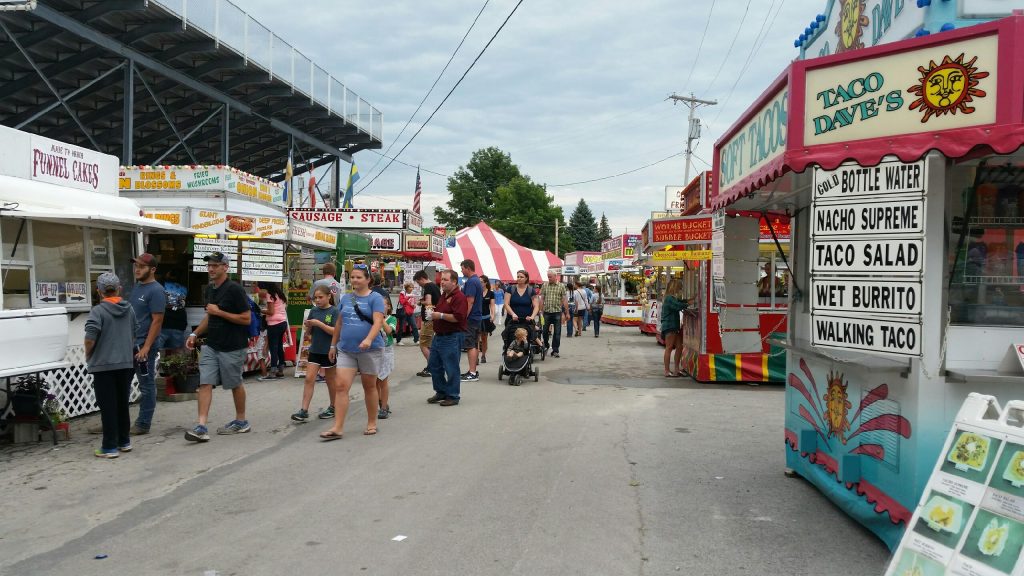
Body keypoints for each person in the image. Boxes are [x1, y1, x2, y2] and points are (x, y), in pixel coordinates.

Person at [184, 251, 253, 442]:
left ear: (225, 267)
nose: (211, 269)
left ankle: (241, 421)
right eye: (209, 265)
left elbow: (246, 319)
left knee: (234, 383)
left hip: (232, 346)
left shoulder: (235, 290)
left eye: (215, 265)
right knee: (205, 382)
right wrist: (195, 333)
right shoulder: (210, 289)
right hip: (212, 345)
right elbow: (210, 315)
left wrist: (220, 312)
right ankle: (201, 426)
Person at [320, 264, 385, 440]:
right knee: (341, 386)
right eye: (353, 277)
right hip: (346, 349)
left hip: (369, 350)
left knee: (369, 386)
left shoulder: (375, 298)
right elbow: (339, 324)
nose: (355, 280)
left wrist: (369, 339)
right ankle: (338, 427)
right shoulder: (346, 298)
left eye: (359, 277)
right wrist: (333, 345)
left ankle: (372, 422)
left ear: (368, 280)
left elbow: (378, 322)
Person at [84, 273, 138, 458]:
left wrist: (88, 354)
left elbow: (90, 337)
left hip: (104, 365)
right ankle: (124, 441)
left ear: (99, 291)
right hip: (125, 363)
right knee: (122, 403)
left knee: (108, 406)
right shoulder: (129, 309)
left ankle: (109, 447)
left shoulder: (98, 311)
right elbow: (133, 333)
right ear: (119, 289)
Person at [128, 253, 165, 436]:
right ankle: (115, 421)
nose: (137, 269)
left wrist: (147, 347)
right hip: (129, 344)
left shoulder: (156, 290)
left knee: (146, 384)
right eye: (136, 266)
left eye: (142, 266)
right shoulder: (137, 287)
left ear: (152, 269)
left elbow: (157, 321)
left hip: (143, 346)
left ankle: (143, 424)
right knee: (121, 384)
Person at [291, 285, 338, 422]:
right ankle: (304, 410)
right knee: (309, 378)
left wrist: (319, 324)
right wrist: (308, 327)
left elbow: (336, 331)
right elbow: (308, 333)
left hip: (328, 350)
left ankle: (333, 406)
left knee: (330, 381)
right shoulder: (314, 311)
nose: (317, 300)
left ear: (329, 296)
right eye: (315, 298)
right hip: (314, 350)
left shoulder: (334, 311)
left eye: (320, 297)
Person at [427, 270, 468, 406]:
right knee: (434, 365)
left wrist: (441, 316)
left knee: (451, 367)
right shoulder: (444, 295)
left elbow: (459, 317)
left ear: (454, 282)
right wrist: (433, 314)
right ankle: (441, 391)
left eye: (445, 279)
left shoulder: (459, 297)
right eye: (442, 279)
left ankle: (453, 395)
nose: (442, 282)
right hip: (439, 336)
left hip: (452, 336)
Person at [255, 282, 288, 381]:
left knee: (273, 348)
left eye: (260, 289)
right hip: (282, 322)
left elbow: (271, 312)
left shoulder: (270, 295)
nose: (260, 292)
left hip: (274, 324)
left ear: (265, 288)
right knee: (279, 347)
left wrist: (260, 310)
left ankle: (273, 372)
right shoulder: (279, 294)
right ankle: (280, 370)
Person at [414, 270, 442, 377]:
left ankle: (432, 367)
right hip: (434, 318)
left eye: (418, 282)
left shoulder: (428, 287)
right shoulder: (434, 286)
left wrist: (420, 302)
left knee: (424, 344)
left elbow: (429, 302)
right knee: (430, 345)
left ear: (422, 279)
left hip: (429, 319)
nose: (419, 284)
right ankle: (432, 365)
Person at [502, 270, 539, 350]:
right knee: (510, 335)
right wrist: (512, 314)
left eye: (521, 277)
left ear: (526, 278)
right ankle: (509, 352)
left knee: (527, 336)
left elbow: (536, 306)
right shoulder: (510, 289)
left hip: (526, 320)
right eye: (518, 276)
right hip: (512, 319)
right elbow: (506, 303)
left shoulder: (530, 290)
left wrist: (532, 317)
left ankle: (525, 352)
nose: (519, 278)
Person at [459, 259, 483, 382]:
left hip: (471, 318)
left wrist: (463, 317)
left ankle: (472, 372)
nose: (461, 271)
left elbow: (470, 301)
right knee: (474, 343)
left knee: (470, 345)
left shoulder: (471, 282)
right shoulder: (476, 280)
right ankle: (472, 371)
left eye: (462, 268)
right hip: (476, 317)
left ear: (468, 268)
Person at [660, 280, 689, 377]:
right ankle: (667, 370)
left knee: (679, 347)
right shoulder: (669, 298)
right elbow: (678, 306)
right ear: (675, 288)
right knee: (669, 348)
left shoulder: (670, 298)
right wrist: (688, 303)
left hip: (673, 326)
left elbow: (679, 302)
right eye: (679, 288)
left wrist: (688, 301)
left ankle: (677, 369)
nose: (680, 290)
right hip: (670, 326)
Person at [159, 268, 188, 360]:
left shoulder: (160, 285)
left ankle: (159, 371)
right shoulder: (184, 288)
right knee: (177, 352)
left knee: (157, 351)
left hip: (163, 323)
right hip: (179, 323)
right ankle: (175, 371)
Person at [539, 270, 569, 357]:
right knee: (544, 331)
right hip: (546, 313)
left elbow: (564, 300)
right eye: (548, 276)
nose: (549, 278)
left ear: (556, 276)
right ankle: (546, 345)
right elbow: (542, 299)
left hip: (557, 313)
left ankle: (555, 350)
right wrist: (540, 311)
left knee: (557, 333)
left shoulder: (561, 286)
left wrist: (567, 313)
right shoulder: (545, 285)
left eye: (550, 276)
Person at [377, 297, 397, 420]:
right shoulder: (372, 318)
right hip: (374, 351)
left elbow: (389, 330)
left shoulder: (392, 319)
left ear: (388, 307)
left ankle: (383, 407)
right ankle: (380, 400)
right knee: (374, 381)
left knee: (383, 380)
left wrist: (381, 319)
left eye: (382, 305)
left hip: (386, 352)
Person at [478, 275, 496, 364]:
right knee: (476, 338)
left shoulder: (490, 293)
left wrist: (493, 315)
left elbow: (492, 305)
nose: (479, 283)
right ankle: (476, 356)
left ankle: (483, 355)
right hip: (477, 317)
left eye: (481, 281)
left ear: (485, 283)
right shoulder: (476, 292)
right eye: (479, 281)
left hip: (486, 318)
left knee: (484, 338)